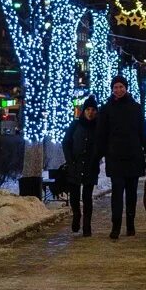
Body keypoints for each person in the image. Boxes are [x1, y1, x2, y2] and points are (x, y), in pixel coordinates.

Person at [95, 76, 146, 238]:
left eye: (121, 86)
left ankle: (130, 224)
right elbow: (101, 135)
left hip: (134, 157)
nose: (118, 90)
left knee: (131, 193)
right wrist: (98, 155)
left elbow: (143, 133)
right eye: (115, 87)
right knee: (117, 194)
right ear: (112, 89)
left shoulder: (136, 108)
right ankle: (115, 226)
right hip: (115, 157)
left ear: (126, 88)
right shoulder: (106, 109)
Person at [62, 97, 101, 235]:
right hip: (75, 165)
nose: (90, 113)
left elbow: (101, 146)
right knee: (74, 195)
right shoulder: (75, 125)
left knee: (87, 197)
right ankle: (76, 215)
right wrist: (70, 161)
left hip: (91, 166)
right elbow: (66, 142)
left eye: (93, 110)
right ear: (83, 111)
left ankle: (87, 225)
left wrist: (97, 158)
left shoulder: (98, 127)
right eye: (88, 110)